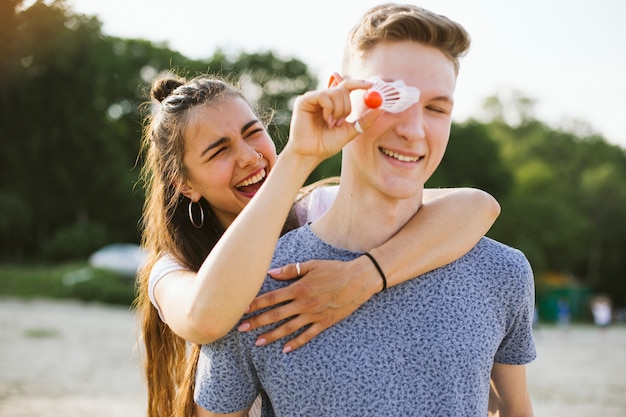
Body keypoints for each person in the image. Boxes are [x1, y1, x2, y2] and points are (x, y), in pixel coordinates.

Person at [192, 3, 536, 416]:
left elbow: (515, 410)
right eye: (392, 98)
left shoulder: (502, 273)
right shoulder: (256, 285)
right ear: (340, 93)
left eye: (436, 108)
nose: (412, 130)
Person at [136, 72, 498, 416]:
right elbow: (207, 317)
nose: (248, 156)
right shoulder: (172, 270)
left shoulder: (322, 210)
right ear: (186, 185)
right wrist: (299, 157)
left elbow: (478, 206)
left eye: (253, 133)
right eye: (219, 152)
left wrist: (365, 275)